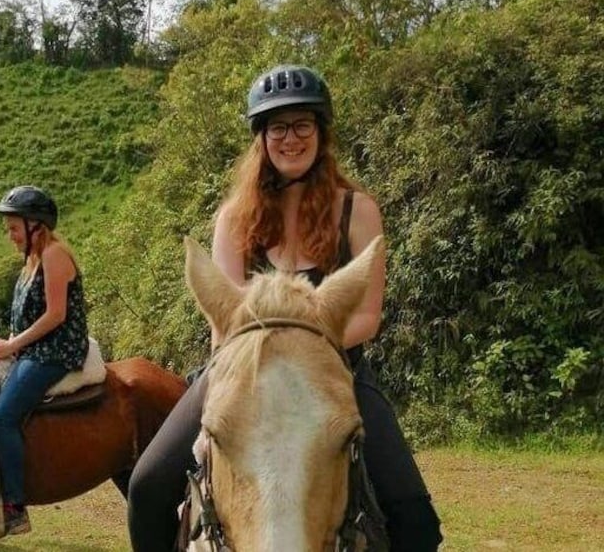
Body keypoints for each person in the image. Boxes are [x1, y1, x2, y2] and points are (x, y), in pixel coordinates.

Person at [127, 65, 443, 551]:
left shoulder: (356, 210)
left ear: (320, 132)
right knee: (147, 485)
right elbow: (224, 317)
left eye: (301, 125)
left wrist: (302, 348)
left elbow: (366, 315)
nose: (290, 138)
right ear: (262, 139)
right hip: (240, 371)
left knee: (415, 518)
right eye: (277, 127)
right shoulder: (234, 217)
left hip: (336, 372)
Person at [0, 185, 89, 539]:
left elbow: (55, 315)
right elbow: (24, 315)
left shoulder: (54, 255)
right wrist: (2, 341)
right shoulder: (31, 260)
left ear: (36, 226)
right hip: (31, 348)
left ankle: (15, 508)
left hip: (55, 351)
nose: (10, 236)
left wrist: (11, 347)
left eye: (13, 228)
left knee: (1, 416)